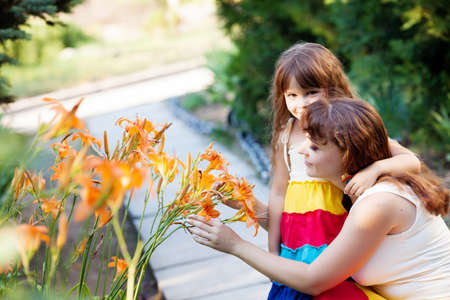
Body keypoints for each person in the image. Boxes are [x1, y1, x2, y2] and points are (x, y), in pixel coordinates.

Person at [187, 98, 450, 300]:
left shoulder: (377, 203)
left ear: (347, 153)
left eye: (314, 146)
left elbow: (313, 278)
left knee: (324, 292)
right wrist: (250, 206)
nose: (301, 149)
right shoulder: (353, 188)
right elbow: (311, 238)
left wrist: (235, 245)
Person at [232, 42, 420, 299]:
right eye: (292, 95)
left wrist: (373, 170)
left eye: (311, 92)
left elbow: (411, 161)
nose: (301, 104)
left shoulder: (348, 125)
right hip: (300, 229)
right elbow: (278, 192)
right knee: (298, 286)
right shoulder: (285, 134)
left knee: (339, 284)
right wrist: (273, 251)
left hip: (341, 222)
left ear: (331, 88)